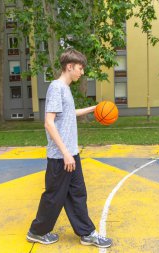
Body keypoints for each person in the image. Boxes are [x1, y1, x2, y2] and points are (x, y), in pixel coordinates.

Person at [26, 48, 112, 248]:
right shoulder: (56, 87)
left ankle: (87, 233)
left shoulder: (65, 89)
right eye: (80, 68)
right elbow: (49, 122)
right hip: (61, 157)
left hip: (71, 154)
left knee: (77, 194)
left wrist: (95, 108)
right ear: (70, 66)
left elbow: (69, 113)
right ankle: (36, 232)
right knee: (54, 197)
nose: (82, 72)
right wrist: (65, 154)